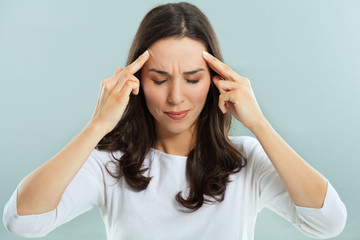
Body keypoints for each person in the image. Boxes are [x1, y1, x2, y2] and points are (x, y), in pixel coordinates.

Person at [3, 2, 347, 240]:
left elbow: (328, 222)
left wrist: (259, 123)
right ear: (136, 81)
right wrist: (97, 126)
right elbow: (22, 220)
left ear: (215, 80)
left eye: (193, 79)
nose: (176, 97)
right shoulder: (112, 165)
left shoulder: (245, 162)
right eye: (159, 78)